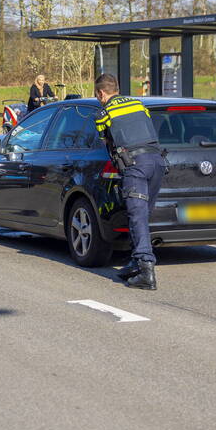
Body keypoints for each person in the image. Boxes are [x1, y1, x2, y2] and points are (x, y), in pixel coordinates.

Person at [93, 73, 166, 290]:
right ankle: (135, 262)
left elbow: (104, 142)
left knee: (137, 216)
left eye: (98, 96)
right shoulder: (138, 103)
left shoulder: (104, 112)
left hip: (136, 165)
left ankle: (145, 269)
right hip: (157, 162)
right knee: (143, 215)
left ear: (101, 93)